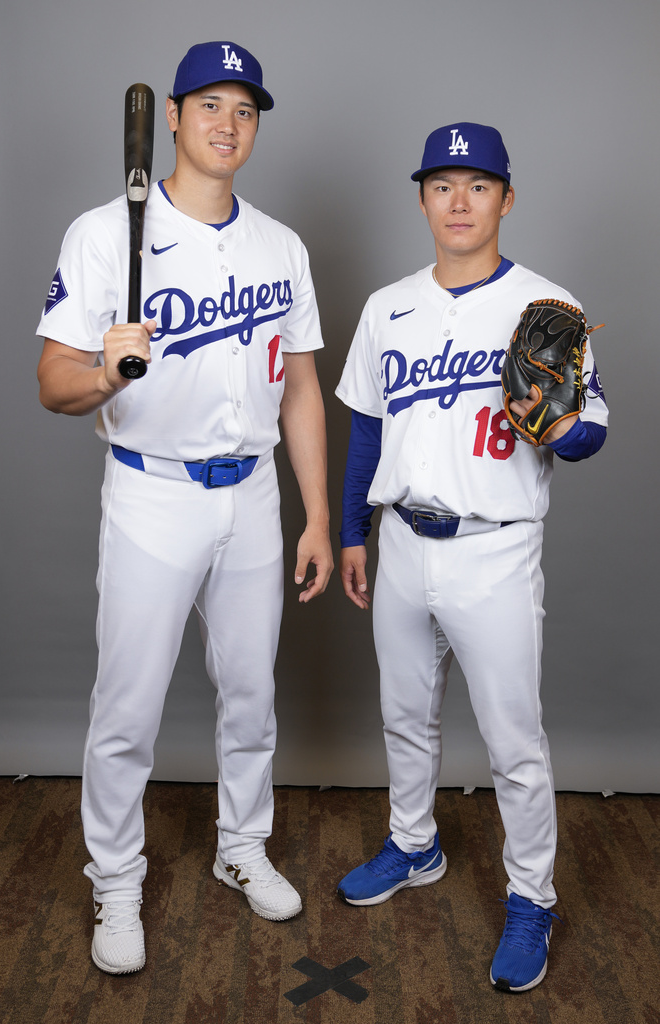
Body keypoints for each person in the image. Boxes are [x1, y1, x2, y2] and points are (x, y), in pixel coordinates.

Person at [36, 40, 333, 975]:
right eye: (208, 104)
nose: (227, 123)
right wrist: (101, 370)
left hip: (249, 495)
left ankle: (240, 847)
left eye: (244, 109)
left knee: (251, 695)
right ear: (170, 116)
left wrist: (316, 515)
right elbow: (50, 383)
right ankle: (115, 880)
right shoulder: (100, 233)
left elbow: (299, 392)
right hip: (150, 492)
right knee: (125, 710)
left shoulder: (281, 245)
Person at [334, 122, 608, 992]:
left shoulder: (546, 305)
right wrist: (349, 531)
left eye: (477, 185)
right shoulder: (387, 306)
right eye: (443, 184)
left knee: (513, 742)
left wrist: (559, 422)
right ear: (421, 198)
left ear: (506, 199)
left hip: (495, 550)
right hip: (405, 542)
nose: (459, 201)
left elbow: (591, 433)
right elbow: (365, 431)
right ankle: (414, 845)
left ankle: (531, 898)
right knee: (403, 716)